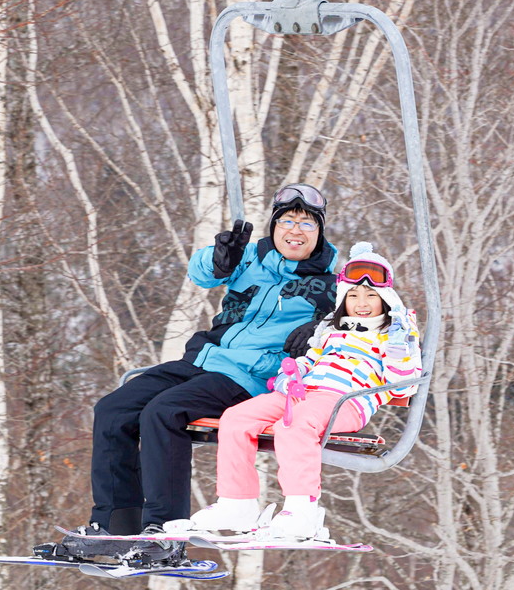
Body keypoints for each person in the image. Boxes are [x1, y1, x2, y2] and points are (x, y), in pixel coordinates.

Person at [54, 184, 338, 562]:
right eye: (288, 221)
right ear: (274, 225)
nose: (296, 231)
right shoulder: (250, 257)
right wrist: (220, 258)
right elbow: (202, 273)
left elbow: (368, 314)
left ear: (319, 232)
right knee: (113, 409)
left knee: (164, 412)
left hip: (251, 377)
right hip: (202, 359)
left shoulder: (334, 281)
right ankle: (116, 524)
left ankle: (164, 532)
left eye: (307, 224)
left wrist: (325, 327)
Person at [187, 242, 421, 540]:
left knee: (295, 424)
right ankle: (237, 503)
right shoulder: (331, 329)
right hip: (301, 395)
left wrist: (400, 346)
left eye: (371, 295)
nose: (362, 302)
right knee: (236, 418)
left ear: (385, 298)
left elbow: (406, 380)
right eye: (354, 295)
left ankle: (301, 509)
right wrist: (293, 373)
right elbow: (310, 359)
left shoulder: (396, 332)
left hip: (345, 401)